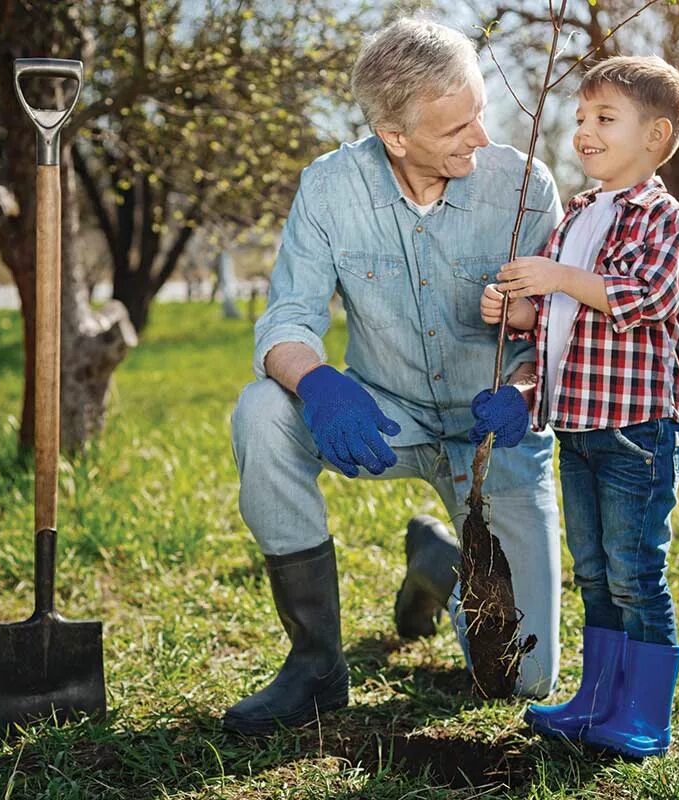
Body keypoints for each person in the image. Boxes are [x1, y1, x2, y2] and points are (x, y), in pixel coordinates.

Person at [224, 17, 566, 736]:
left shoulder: (526, 186)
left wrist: (528, 392)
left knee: (521, 679)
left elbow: (567, 332)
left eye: (480, 112)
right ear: (395, 136)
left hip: (493, 433)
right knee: (261, 410)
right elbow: (285, 321)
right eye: (456, 129)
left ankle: (439, 566)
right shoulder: (329, 188)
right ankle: (316, 666)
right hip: (385, 416)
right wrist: (317, 383)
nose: (481, 136)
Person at [468, 55, 679, 758]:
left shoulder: (662, 217)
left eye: (605, 118)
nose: (585, 132)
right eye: (580, 118)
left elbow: (649, 298)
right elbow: (567, 325)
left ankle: (644, 715)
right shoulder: (578, 216)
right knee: (594, 569)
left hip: (637, 430)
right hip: (579, 426)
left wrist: (559, 276)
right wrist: (521, 311)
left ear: (656, 135)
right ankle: (597, 698)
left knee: (634, 572)